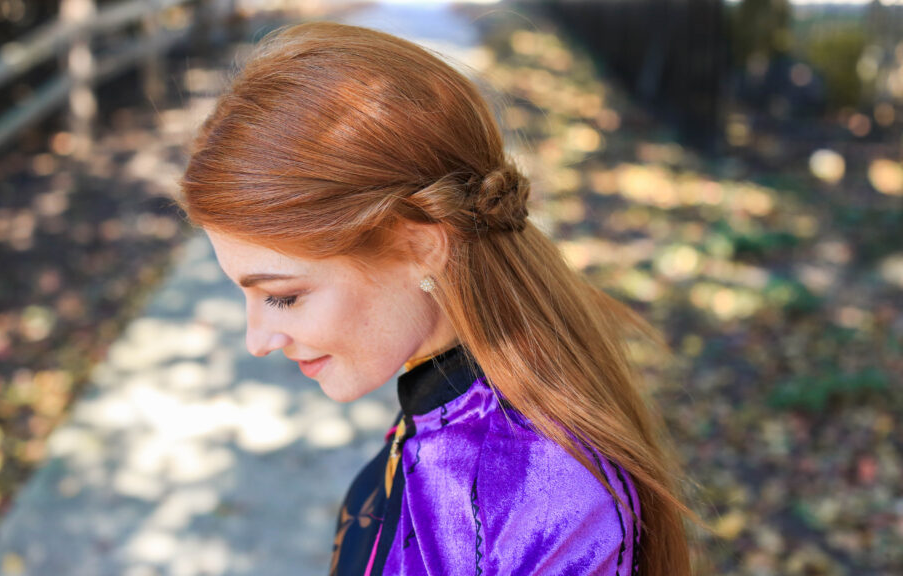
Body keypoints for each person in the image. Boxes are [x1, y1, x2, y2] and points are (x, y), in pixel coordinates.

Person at [180, 21, 693, 576]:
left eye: (283, 296)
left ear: (422, 246)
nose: (257, 340)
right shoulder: (456, 404)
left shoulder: (544, 500)